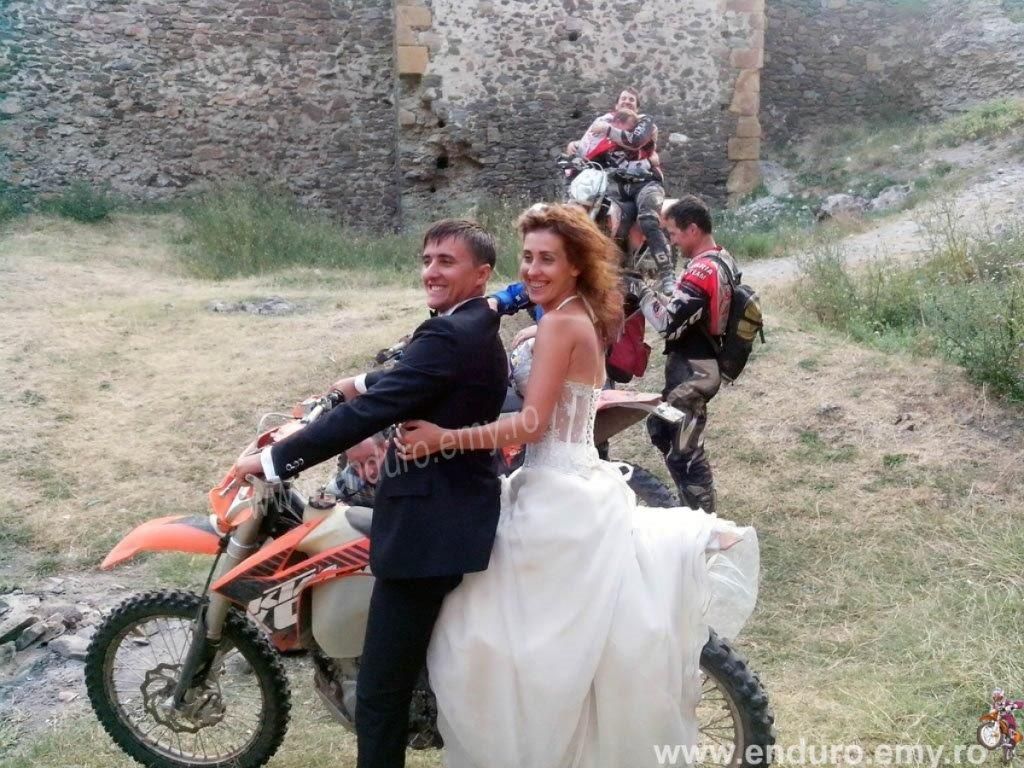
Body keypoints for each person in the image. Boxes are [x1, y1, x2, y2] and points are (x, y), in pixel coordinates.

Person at [395, 204, 759, 768]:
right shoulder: (572, 314)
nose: (532, 269)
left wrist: (443, 438)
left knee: (488, 639)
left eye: (547, 259)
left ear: (576, 265)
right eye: (527, 257)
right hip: (566, 477)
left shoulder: (560, 324)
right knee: (547, 645)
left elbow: (530, 424)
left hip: (555, 492)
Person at [232, 219, 508, 768]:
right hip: (447, 515)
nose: (431, 271)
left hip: (428, 533)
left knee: (382, 693)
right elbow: (415, 378)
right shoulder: (470, 326)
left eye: (446, 261)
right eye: (426, 260)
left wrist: (271, 461)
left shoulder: (451, 335)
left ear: (481, 274)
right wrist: (358, 382)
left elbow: (376, 411)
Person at [625, 195, 739, 516]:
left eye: (674, 233)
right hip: (698, 366)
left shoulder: (702, 271)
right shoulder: (722, 258)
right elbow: (685, 312)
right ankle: (691, 509)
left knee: (684, 451)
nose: (671, 241)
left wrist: (640, 292)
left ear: (692, 230)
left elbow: (668, 323)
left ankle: (701, 521)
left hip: (695, 374)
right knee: (661, 428)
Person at [584, 88, 675, 295]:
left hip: (646, 183)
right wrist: (573, 149)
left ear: (637, 106)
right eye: (623, 99)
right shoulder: (607, 127)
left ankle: (667, 274)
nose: (627, 101)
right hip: (618, 188)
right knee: (611, 224)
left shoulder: (644, 122)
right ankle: (616, 277)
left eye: (631, 99)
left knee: (648, 219)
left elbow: (635, 140)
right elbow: (590, 151)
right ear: (616, 106)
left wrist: (607, 129)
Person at [327, 433, 390, 506]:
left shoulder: (400, 471)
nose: (368, 472)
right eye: (356, 465)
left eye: (372, 461)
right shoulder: (350, 477)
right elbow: (327, 494)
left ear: (386, 448)